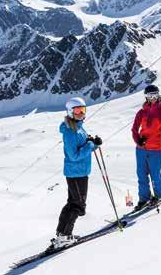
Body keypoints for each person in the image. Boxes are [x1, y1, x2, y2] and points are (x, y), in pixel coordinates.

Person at [52, 97, 102, 249]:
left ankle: (62, 234)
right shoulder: (70, 132)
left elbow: (83, 145)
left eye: (83, 110)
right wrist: (90, 145)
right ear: (70, 112)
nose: (81, 113)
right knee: (78, 205)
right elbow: (74, 156)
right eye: (77, 110)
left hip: (78, 172)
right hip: (76, 173)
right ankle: (65, 236)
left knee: (73, 203)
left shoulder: (78, 127)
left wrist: (92, 143)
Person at [132, 85, 161, 211]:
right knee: (141, 175)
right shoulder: (141, 113)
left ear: (158, 96)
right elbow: (134, 129)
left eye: (154, 95)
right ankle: (144, 199)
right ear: (146, 97)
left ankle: (160, 195)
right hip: (141, 149)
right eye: (149, 96)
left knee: (155, 174)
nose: (152, 98)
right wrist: (138, 141)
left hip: (156, 150)